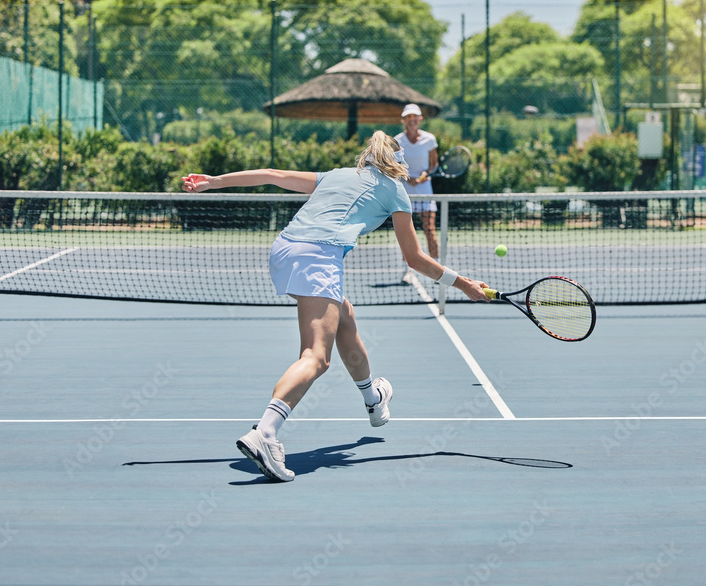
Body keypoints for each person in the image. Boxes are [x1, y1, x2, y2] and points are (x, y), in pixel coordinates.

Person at [181, 131, 489, 482]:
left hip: (284, 249)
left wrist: (213, 182)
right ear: (398, 165)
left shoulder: (337, 174)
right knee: (316, 357)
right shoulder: (396, 191)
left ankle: (373, 398)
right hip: (319, 256)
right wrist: (464, 284)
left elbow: (272, 174)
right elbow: (415, 258)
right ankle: (264, 432)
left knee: (344, 315)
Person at [395, 103, 440, 260]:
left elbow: (434, 164)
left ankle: (437, 266)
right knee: (406, 231)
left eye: (415, 117)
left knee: (429, 228)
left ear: (420, 119)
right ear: (404, 120)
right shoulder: (397, 141)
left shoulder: (429, 139)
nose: (412, 120)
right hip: (405, 190)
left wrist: (426, 173)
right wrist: (408, 178)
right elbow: (395, 167)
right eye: (408, 117)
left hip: (424, 189)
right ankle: (407, 269)